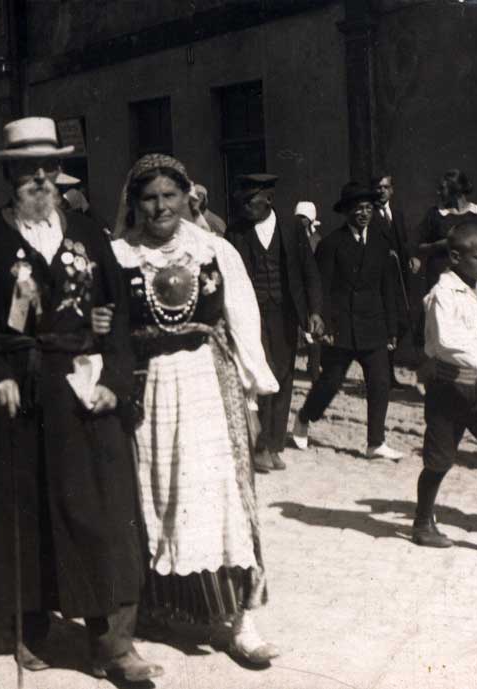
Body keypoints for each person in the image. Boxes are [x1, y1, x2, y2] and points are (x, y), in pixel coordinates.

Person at [0, 118, 162, 683]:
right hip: (17, 394)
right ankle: (31, 626)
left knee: (102, 513)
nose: (40, 179)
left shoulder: (89, 234)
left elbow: (119, 316)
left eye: (48, 168)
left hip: (83, 389)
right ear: (9, 175)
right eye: (27, 170)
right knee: (24, 511)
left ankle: (113, 645)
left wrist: (116, 378)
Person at [99, 154, 281, 666]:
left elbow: (243, 321)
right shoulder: (117, 256)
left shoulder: (215, 250)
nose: (161, 207)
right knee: (154, 494)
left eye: (170, 196)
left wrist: (252, 394)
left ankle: (242, 620)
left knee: (220, 496)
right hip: (146, 388)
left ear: (187, 198)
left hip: (207, 383)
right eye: (149, 197)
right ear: (134, 203)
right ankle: (158, 608)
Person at [293, 182, 403, 460]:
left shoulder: (381, 244)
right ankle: (305, 417)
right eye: (358, 208)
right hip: (341, 328)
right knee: (330, 382)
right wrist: (326, 325)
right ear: (346, 212)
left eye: (368, 208)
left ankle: (375, 443)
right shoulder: (331, 244)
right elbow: (322, 289)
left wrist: (392, 328)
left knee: (380, 382)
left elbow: (388, 290)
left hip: (373, 326)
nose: (364, 213)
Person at [225, 174, 324, 473]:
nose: (245, 207)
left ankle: (275, 445)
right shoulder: (236, 232)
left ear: (268, 199)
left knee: (283, 374)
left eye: (251, 201)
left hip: (285, 312)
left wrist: (314, 311)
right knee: (261, 371)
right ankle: (260, 446)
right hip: (249, 313)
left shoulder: (292, 228)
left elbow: (309, 271)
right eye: (242, 201)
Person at [412, 222, 477, 548]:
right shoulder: (441, 294)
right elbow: (447, 341)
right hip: (449, 390)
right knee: (438, 461)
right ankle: (422, 523)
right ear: (456, 257)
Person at [371, 174, 412, 389]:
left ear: (392, 190)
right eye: (378, 188)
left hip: (399, 280)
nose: (381, 191)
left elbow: (403, 243)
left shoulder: (398, 214)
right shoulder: (368, 214)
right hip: (379, 280)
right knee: (386, 325)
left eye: (385, 187)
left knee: (402, 322)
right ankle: (384, 374)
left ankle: (387, 370)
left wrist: (411, 258)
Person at [295, 201, 324, 381]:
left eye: (304, 218)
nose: (300, 221)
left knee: (313, 331)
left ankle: (314, 368)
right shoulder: (293, 238)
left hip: (311, 289)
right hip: (298, 289)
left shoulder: (316, 241)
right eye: (298, 218)